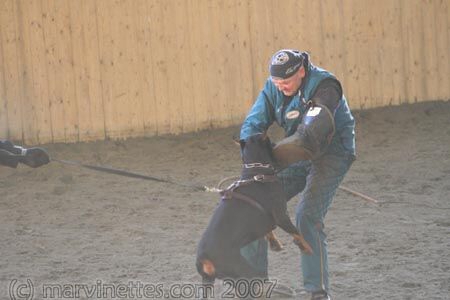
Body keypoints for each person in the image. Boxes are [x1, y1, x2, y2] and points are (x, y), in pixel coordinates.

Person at [240, 49, 355, 300]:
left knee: (308, 216)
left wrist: (275, 157)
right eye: (276, 82)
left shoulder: (326, 86)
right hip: (298, 152)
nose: (281, 87)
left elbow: (315, 127)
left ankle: (317, 292)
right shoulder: (274, 88)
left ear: (302, 71)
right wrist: (253, 161)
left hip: (333, 153)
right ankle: (254, 285)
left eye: (286, 82)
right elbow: (252, 125)